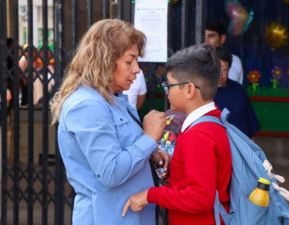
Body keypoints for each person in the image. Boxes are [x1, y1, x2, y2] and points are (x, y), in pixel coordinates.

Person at [50, 19, 169, 225]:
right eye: (129, 61)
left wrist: (150, 153)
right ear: (105, 60)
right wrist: (149, 138)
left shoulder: (112, 98)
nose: (137, 70)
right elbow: (110, 172)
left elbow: (120, 149)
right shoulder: (87, 104)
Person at [122, 44, 232, 225]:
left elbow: (199, 197)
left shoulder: (198, 134)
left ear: (189, 90)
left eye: (170, 85)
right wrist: (176, 168)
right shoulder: (212, 121)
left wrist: (150, 195)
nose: (167, 92)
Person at [214, 47, 260, 141]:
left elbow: (250, 124)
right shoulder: (204, 92)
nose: (220, 73)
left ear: (229, 69)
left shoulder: (238, 90)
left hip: (240, 146)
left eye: (224, 69)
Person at [205, 20, 244, 84]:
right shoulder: (192, 61)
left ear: (222, 39)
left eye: (211, 36)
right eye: (202, 36)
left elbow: (232, 90)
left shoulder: (234, 61)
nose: (206, 41)